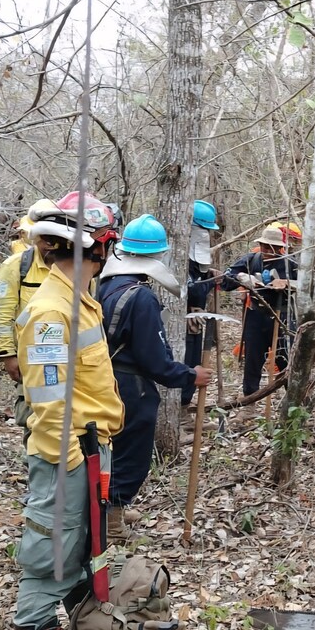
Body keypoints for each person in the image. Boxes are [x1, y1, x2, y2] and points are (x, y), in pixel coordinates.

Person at [12, 192, 123, 630]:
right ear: (94, 247)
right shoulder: (51, 312)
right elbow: (51, 402)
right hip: (68, 454)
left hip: (89, 449)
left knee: (79, 555)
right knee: (48, 562)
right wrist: (73, 466)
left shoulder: (80, 301)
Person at [99, 214, 211, 540]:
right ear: (157, 255)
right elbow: (155, 361)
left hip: (104, 380)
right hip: (131, 386)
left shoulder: (107, 285)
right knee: (131, 455)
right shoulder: (141, 297)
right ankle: (113, 521)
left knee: (110, 450)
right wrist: (190, 375)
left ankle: (110, 508)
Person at [0, 201, 56, 439]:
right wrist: (7, 354)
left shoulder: (76, 266)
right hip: (30, 361)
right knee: (34, 420)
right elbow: (1, 313)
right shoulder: (17, 266)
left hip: (68, 359)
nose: (48, 244)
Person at [220, 225, 298, 421]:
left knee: (287, 360)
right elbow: (225, 280)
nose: (268, 251)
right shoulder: (251, 260)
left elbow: (310, 286)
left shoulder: (291, 264)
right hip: (256, 316)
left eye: (272, 247)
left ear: (280, 248)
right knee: (253, 361)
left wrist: (288, 284)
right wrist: (240, 278)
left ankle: (294, 406)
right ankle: (249, 405)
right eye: (265, 246)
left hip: (283, 317)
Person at [182, 199, 220, 408]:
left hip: (195, 321)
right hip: (180, 320)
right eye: (203, 229)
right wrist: (209, 283)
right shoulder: (178, 256)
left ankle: (184, 408)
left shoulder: (196, 261)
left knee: (193, 361)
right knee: (184, 363)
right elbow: (192, 290)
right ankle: (177, 411)